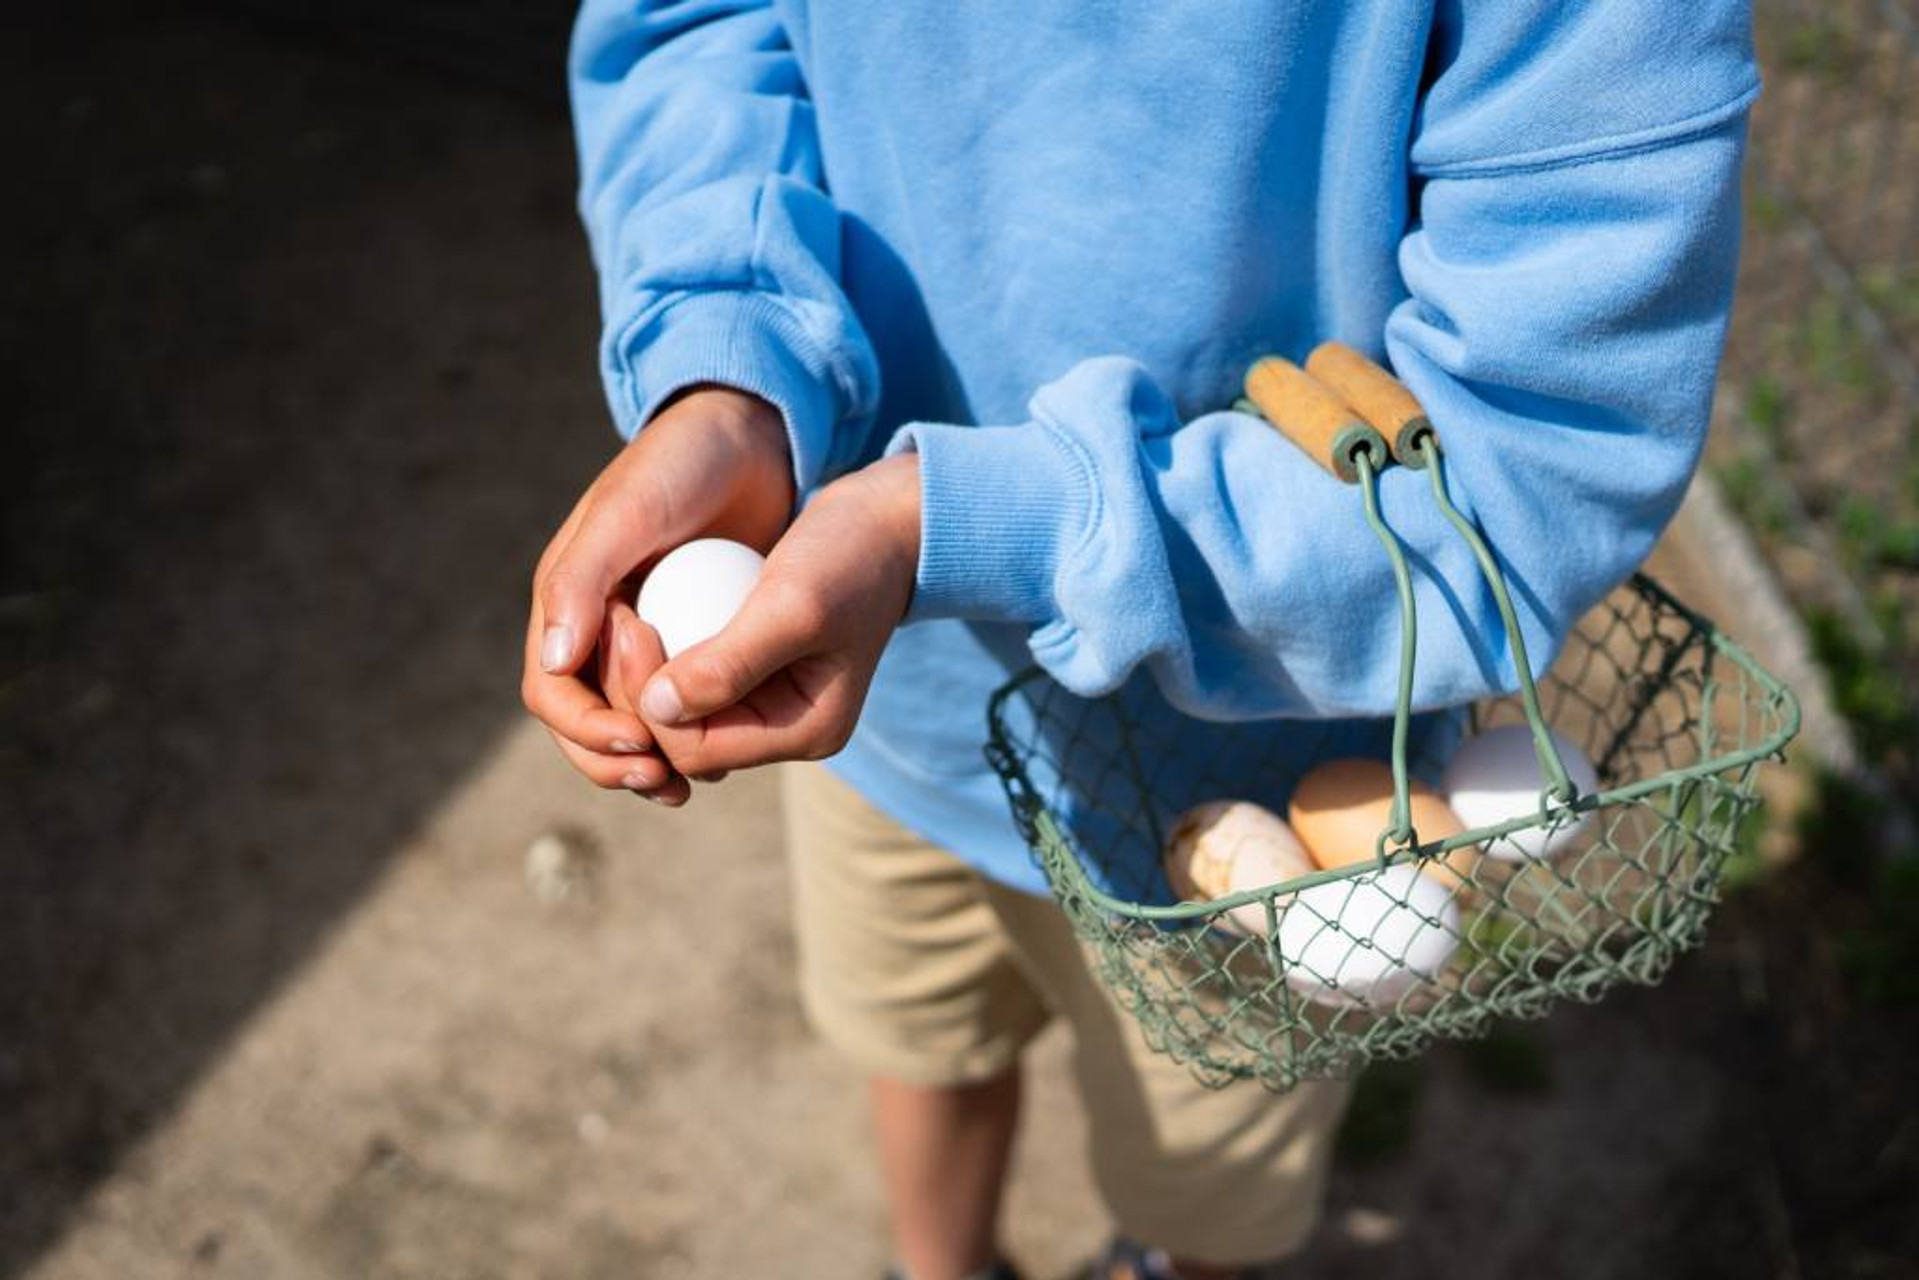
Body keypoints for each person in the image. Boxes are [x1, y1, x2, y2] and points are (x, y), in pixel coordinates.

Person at [522, 2, 1759, 1277]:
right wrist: (724, 366)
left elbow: (1526, 459)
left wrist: (949, 528)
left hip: (1256, 765)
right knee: (923, 1047)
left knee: (1204, 1188)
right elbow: (696, 27)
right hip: (889, 702)